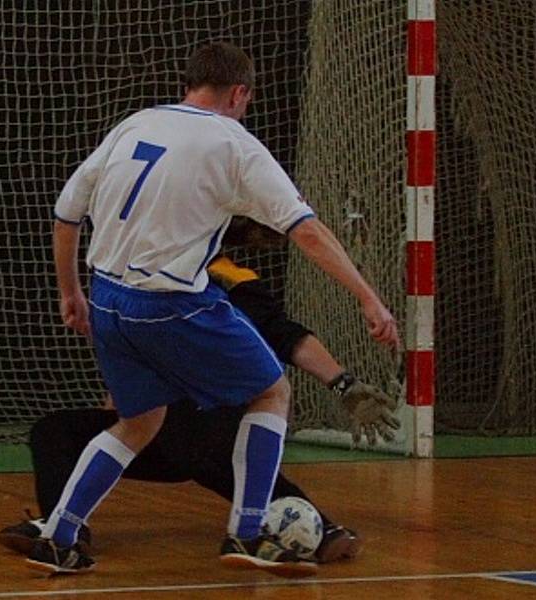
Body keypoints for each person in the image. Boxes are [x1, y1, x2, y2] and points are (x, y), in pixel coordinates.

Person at [32, 41, 400, 577]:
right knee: (272, 391)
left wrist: (72, 294)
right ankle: (248, 532)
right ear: (240, 93)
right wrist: (369, 298)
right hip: (170, 304)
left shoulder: (137, 123)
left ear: (191, 82)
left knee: (140, 421)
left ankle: (58, 538)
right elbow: (309, 232)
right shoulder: (234, 143)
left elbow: (67, 214)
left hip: (107, 299)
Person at [0, 253, 401, 564]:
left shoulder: (227, 277)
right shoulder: (135, 278)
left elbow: (284, 335)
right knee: (54, 431)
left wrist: (343, 384)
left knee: (215, 451)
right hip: (151, 427)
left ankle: (320, 528)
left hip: (211, 426)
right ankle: (61, 528)